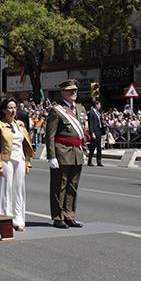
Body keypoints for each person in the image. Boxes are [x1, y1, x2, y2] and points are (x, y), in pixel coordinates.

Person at [45, 79, 87, 229]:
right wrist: (51, 156)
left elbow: (82, 133)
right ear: (63, 92)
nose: (73, 92)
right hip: (62, 151)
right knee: (59, 186)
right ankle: (58, 217)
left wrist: (85, 150)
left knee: (73, 186)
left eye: (75, 90)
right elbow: (49, 135)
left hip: (77, 152)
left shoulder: (81, 109)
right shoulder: (57, 110)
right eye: (70, 90)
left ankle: (70, 215)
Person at [0, 98, 34, 231]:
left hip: (19, 159)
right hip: (6, 159)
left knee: (19, 189)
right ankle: (5, 220)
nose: (13, 110)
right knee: (6, 189)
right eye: (9, 108)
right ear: (4, 110)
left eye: (14, 107)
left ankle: (19, 220)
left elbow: (27, 144)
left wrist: (28, 163)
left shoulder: (20, 124)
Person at [88, 101, 105, 167]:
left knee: (99, 147)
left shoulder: (98, 112)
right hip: (95, 132)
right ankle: (89, 161)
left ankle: (99, 161)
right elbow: (91, 124)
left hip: (99, 131)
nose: (100, 106)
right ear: (96, 105)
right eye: (99, 105)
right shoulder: (91, 112)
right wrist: (92, 133)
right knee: (93, 147)